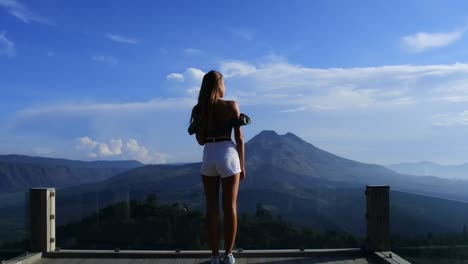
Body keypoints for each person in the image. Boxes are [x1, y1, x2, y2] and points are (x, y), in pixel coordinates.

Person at [188, 70, 249, 264]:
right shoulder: (231, 105)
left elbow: (200, 140)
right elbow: (239, 137)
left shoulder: (198, 110)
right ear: (220, 84)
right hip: (228, 154)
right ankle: (228, 255)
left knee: (211, 209)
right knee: (230, 207)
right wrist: (242, 164)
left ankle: (214, 256)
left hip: (209, 156)